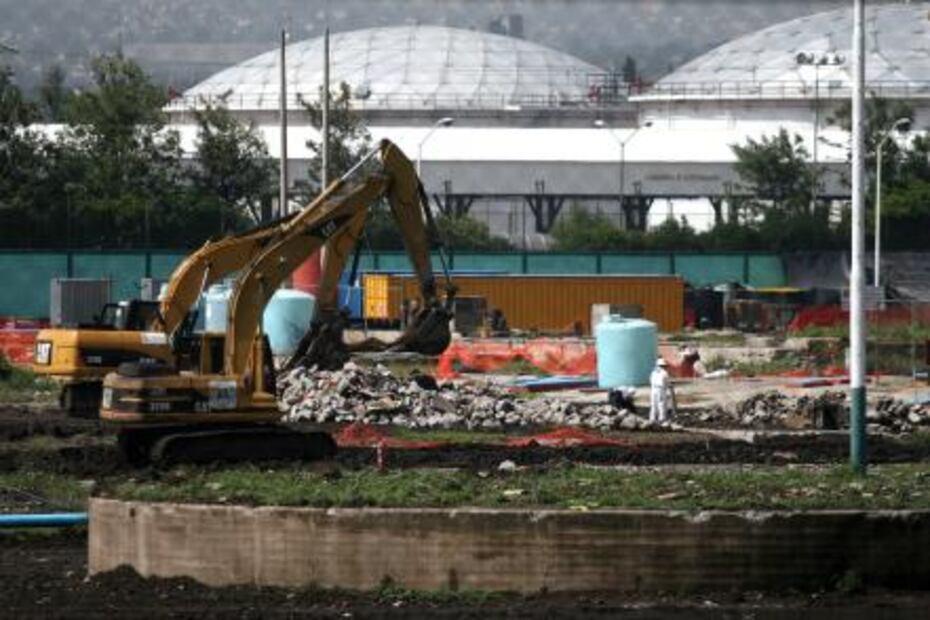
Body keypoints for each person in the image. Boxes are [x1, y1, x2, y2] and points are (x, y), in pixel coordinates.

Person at [649, 358, 676, 425]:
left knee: (653, 404)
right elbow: (667, 382)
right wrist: (670, 385)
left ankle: (652, 418)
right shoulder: (664, 373)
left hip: (653, 389)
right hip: (660, 390)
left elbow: (650, 381)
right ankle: (662, 418)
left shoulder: (653, 372)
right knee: (661, 404)